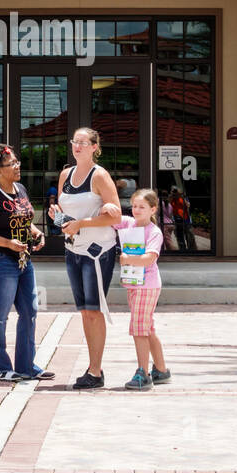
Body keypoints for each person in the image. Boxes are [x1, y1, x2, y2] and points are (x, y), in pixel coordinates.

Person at [0, 144, 55, 382]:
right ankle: (0, 367)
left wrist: (38, 233)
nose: (17, 167)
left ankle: (27, 366)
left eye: (17, 162)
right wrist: (7, 243)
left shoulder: (20, 189)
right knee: (0, 316)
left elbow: (26, 221)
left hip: (23, 260)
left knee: (30, 312)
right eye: (12, 164)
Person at [49, 127, 122, 389]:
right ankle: (93, 368)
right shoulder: (65, 174)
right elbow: (64, 215)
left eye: (83, 142)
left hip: (97, 251)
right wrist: (57, 217)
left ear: (94, 147)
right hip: (73, 250)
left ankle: (95, 370)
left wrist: (82, 223)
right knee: (84, 312)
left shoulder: (99, 175)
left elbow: (116, 216)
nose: (77, 146)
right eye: (74, 142)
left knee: (94, 311)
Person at [115, 189, 171, 390]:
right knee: (147, 328)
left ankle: (143, 373)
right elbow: (111, 217)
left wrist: (127, 259)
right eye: (134, 206)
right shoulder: (129, 223)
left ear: (153, 209)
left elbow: (150, 258)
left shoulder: (154, 232)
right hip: (134, 284)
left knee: (139, 328)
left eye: (142, 207)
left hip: (147, 285)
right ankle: (161, 370)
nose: (137, 210)